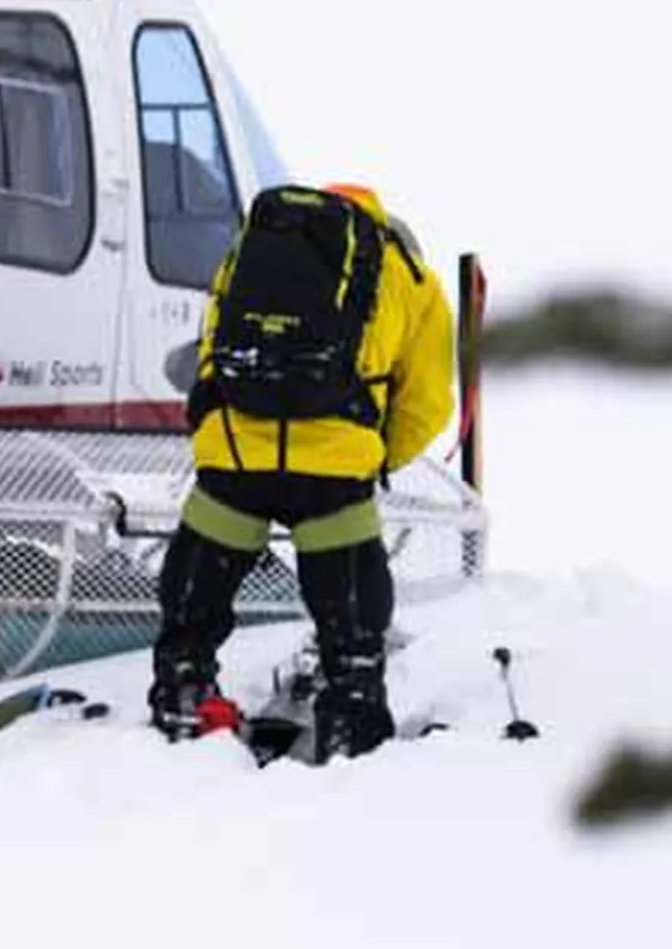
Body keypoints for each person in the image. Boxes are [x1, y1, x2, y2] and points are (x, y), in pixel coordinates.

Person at [150, 180, 459, 755]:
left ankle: (184, 693)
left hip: (234, 456)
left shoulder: (250, 252)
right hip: (334, 470)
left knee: (197, 596)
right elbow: (429, 403)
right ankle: (350, 720)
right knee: (351, 625)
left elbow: (210, 350)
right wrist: (375, 454)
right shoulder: (412, 279)